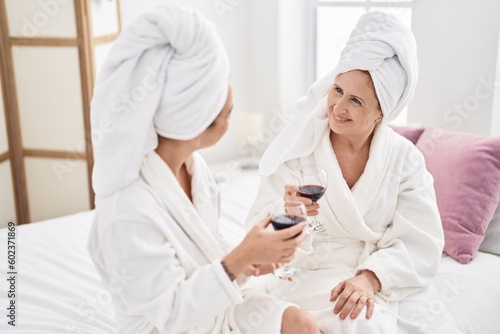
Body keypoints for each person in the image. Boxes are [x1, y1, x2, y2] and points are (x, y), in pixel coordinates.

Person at [87, 3, 318, 333]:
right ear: (194, 120)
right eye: (226, 107)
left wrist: (254, 259)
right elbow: (172, 315)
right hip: (170, 325)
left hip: (214, 308)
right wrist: (239, 259)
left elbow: (208, 249)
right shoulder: (126, 211)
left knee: (303, 323)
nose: (231, 101)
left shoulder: (194, 169)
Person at [246, 12, 459, 334]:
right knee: (357, 321)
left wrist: (371, 278)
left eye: (356, 100)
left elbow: (421, 240)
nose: (338, 107)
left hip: (374, 271)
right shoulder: (297, 145)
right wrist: (290, 214)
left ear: (380, 113)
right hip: (308, 268)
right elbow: (257, 234)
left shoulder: (405, 160)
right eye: (337, 90)